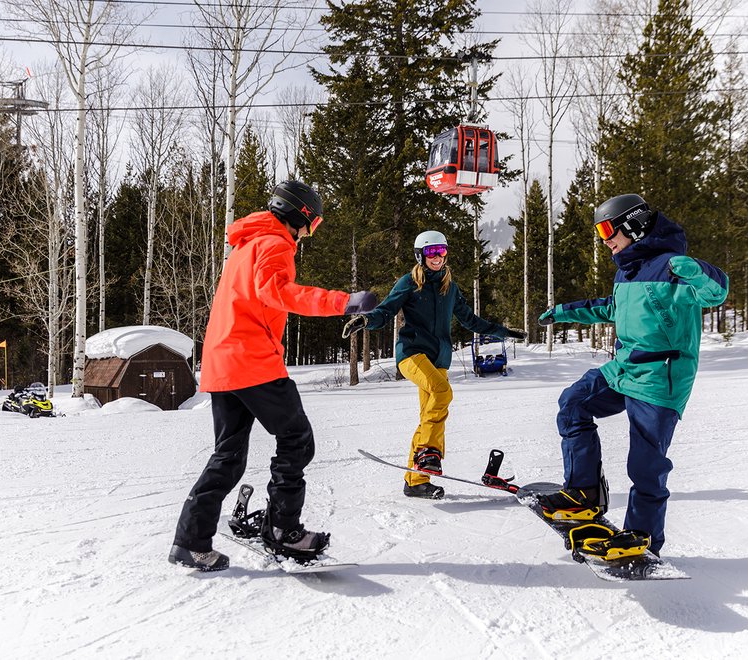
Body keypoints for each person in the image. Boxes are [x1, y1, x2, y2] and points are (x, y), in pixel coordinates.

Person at [168, 180, 378, 572]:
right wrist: (342, 302)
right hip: (252, 360)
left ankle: (190, 542)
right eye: (312, 225)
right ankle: (283, 530)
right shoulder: (275, 244)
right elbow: (278, 292)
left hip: (222, 364)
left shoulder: (245, 246)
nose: (309, 233)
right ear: (300, 216)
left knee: (228, 456)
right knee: (296, 440)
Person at [535, 193, 728, 557]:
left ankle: (643, 537)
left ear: (634, 224)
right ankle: (583, 492)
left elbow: (715, 292)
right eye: (600, 232)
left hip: (660, 375)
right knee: (573, 402)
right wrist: (564, 311)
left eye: (609, 229)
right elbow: (611, 307)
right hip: (624, 368)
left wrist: (698, 272)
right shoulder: (628, 269)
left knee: (645, 463)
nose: (605, 239)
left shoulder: (674, 266)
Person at [344, 230, 526, 499]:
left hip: (439, 359)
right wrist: (366, 320)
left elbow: (470, 320)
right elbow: (385, 311)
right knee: (442, 393)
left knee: (431, 416)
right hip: (412, 354)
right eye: (431, 252)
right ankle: (428, 454)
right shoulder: (408, 283)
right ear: (420, 255)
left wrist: (504, 332)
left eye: (442, 251)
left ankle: (416, 481)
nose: (438, 257)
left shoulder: (449, 287)